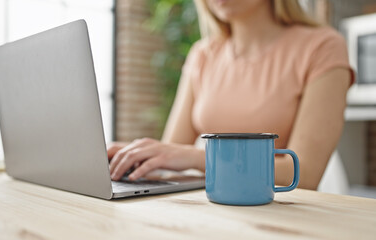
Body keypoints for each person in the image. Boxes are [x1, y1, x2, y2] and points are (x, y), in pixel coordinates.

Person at [108, 0, 353, 190]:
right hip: (214, 208)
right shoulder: (203, 54)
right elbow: (173, 151)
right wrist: (139, 157)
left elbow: (304, 174)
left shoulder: (323, 47)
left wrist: (196, 158)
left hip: (280, 211)